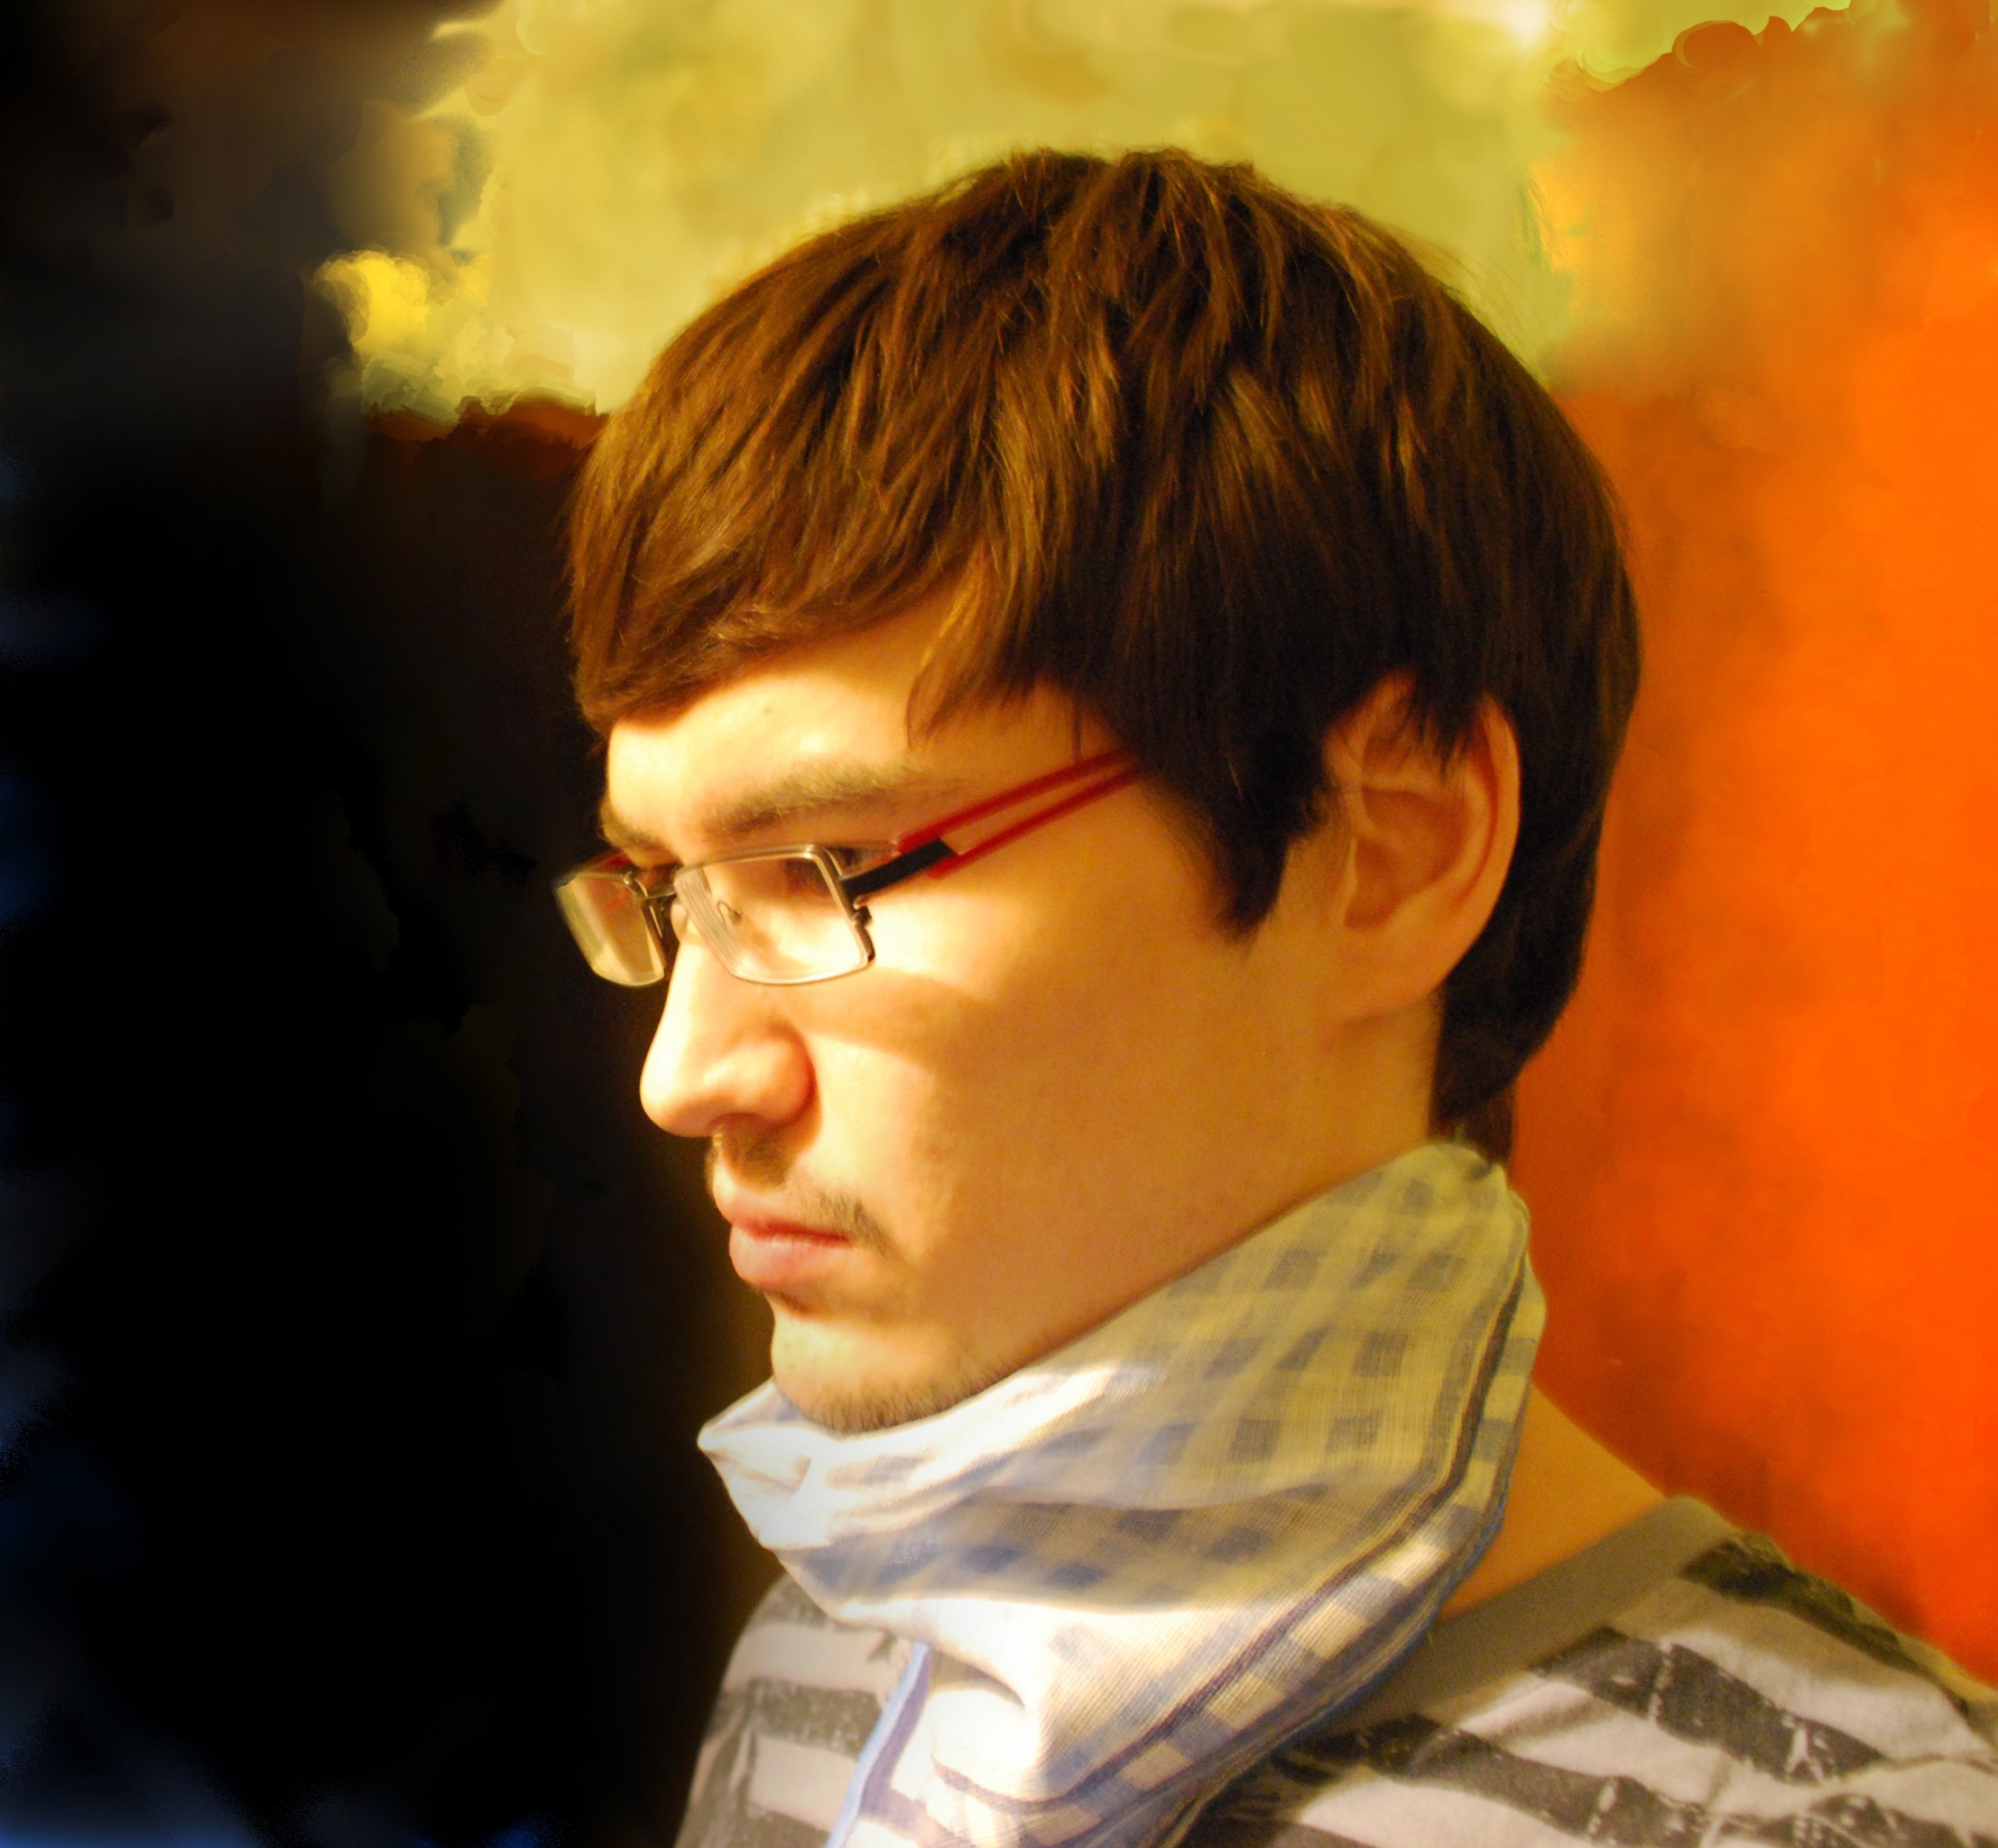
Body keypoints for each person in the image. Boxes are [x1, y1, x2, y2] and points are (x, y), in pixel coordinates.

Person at [553, 151, 1997, 1848]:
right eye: (673, 892)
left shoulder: (1861, 1824)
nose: (687, 1073)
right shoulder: (822, 1676)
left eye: (829, 868)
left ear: (1387, 854)